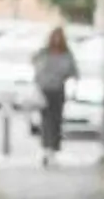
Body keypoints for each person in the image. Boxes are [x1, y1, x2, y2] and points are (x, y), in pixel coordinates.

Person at [31, 27, 79, 167]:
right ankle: (47, 150)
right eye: (55, 36)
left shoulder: (66, 54)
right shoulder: (44, 52)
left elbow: (74, 71)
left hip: (58, 90)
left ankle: (53, 151)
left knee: (56, 121)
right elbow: (36, 66)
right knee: (46, 121)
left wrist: (72, 82)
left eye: (60, 37)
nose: (57, 39)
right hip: (44, 90)